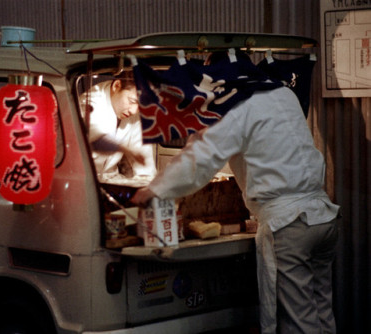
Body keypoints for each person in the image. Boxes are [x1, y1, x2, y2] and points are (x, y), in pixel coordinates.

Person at [131, 51, 340, 334]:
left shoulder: (238, 106)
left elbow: (202, 159)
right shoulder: (282, 92)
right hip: (322, 217)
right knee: (322, 313)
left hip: (289, 224)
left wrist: (156, 189)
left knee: (298, 323)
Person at [80, 72, 156, 180]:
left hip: (111, 178)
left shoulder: (135, 111)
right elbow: (96, 139)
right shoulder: (91, 102)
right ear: (117, 86)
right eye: (132, 101)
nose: (134, 111)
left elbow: (144, 160)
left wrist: (147, 184)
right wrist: (127, 150)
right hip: (82, 179)